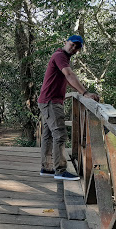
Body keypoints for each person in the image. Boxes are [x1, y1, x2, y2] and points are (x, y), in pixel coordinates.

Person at [37, 35, 99, 181]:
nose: (74, 48)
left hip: (47, 100)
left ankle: (46, 168)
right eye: (72, 44)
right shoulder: (59, 56)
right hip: (51, 102)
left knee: (48, 135)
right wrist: (85, 93)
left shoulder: (62, 57)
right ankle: (60, 171)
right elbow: (69, 75)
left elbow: (68, 78)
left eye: (77, 47)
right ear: (66, 42)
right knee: (60, 135)